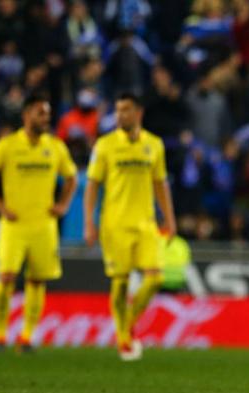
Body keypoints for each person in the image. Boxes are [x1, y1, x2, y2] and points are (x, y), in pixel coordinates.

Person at [0, 94, 77, 351]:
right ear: (26, 114)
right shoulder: (7, 145)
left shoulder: (55, 146)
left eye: (48, 114)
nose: (45, 118)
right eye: (40, 113)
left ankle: (27, 336)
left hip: (44, 225)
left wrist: (62, 205)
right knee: (6, 277)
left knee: (37, 281)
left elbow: (72, 177)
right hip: (14, 225)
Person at [84, 92, 176, 361]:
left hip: (146, 223)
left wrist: (169, 218)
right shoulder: (104, 145)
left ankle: (125, 326)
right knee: (121, 283)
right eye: (117, 110)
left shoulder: (154, 145)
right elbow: (92, 184)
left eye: (125, 110)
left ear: (139, 113)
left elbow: (160, 183)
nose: (120, 115)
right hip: (115, 224)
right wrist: (90, 221)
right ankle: (125, 337)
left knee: (155, 278)